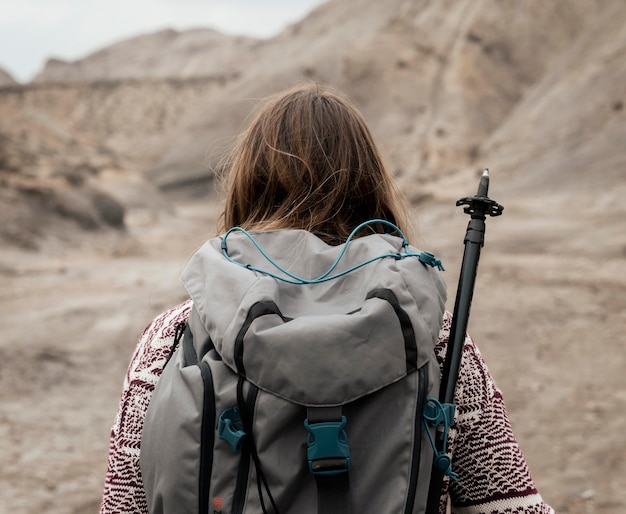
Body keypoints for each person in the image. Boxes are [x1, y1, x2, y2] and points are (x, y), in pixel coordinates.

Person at [99, 82, 554, 514]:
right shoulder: (436, 337)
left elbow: (123, 504)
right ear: (372, 187)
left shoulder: (170, 339)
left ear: (244, 185)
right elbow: (510, 505)